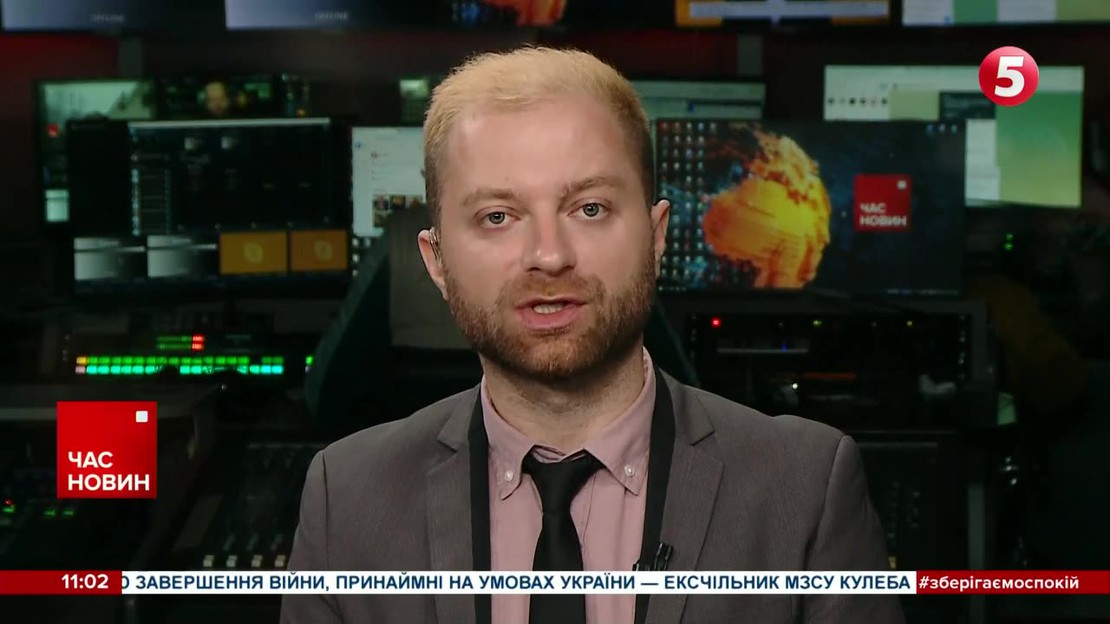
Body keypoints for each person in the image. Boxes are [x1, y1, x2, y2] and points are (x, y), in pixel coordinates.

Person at [281, 46, 904, 624]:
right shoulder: (347, 499)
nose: (549, 256)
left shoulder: (807, 489)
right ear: (436, 260)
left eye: (590, 209)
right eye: (497, 216)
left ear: (656, 237)